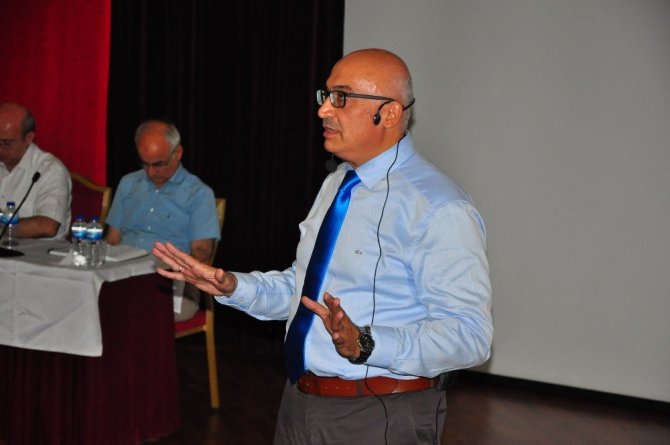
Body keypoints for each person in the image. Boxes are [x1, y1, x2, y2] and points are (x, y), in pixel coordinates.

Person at [152, 48, 493, 444]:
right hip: (301, 400)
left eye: (341, 97)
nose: (323, 110)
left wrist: (366, 342)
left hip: (381, 412)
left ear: (390, 113)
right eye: (326, 95)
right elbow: (306, 292)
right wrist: (232, 285)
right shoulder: (339, 183)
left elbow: (471, 336)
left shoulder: (438, 206)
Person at [105, 119, 220, 321]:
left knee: (135, 312)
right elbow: (112, 239)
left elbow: (201, 252)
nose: (151, 172)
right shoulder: (129, 183)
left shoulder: (198, 194)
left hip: (168, 279)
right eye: (145, 164)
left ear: (177, 153)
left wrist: (178, 273)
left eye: (158, 164)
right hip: (123, 272)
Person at [0, 102, 71, 239]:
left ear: (29, 138)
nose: (0, 149)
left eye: (6, 143)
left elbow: (47, 226)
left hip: (38, 250)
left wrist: (2, 229)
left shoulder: (51, 169)